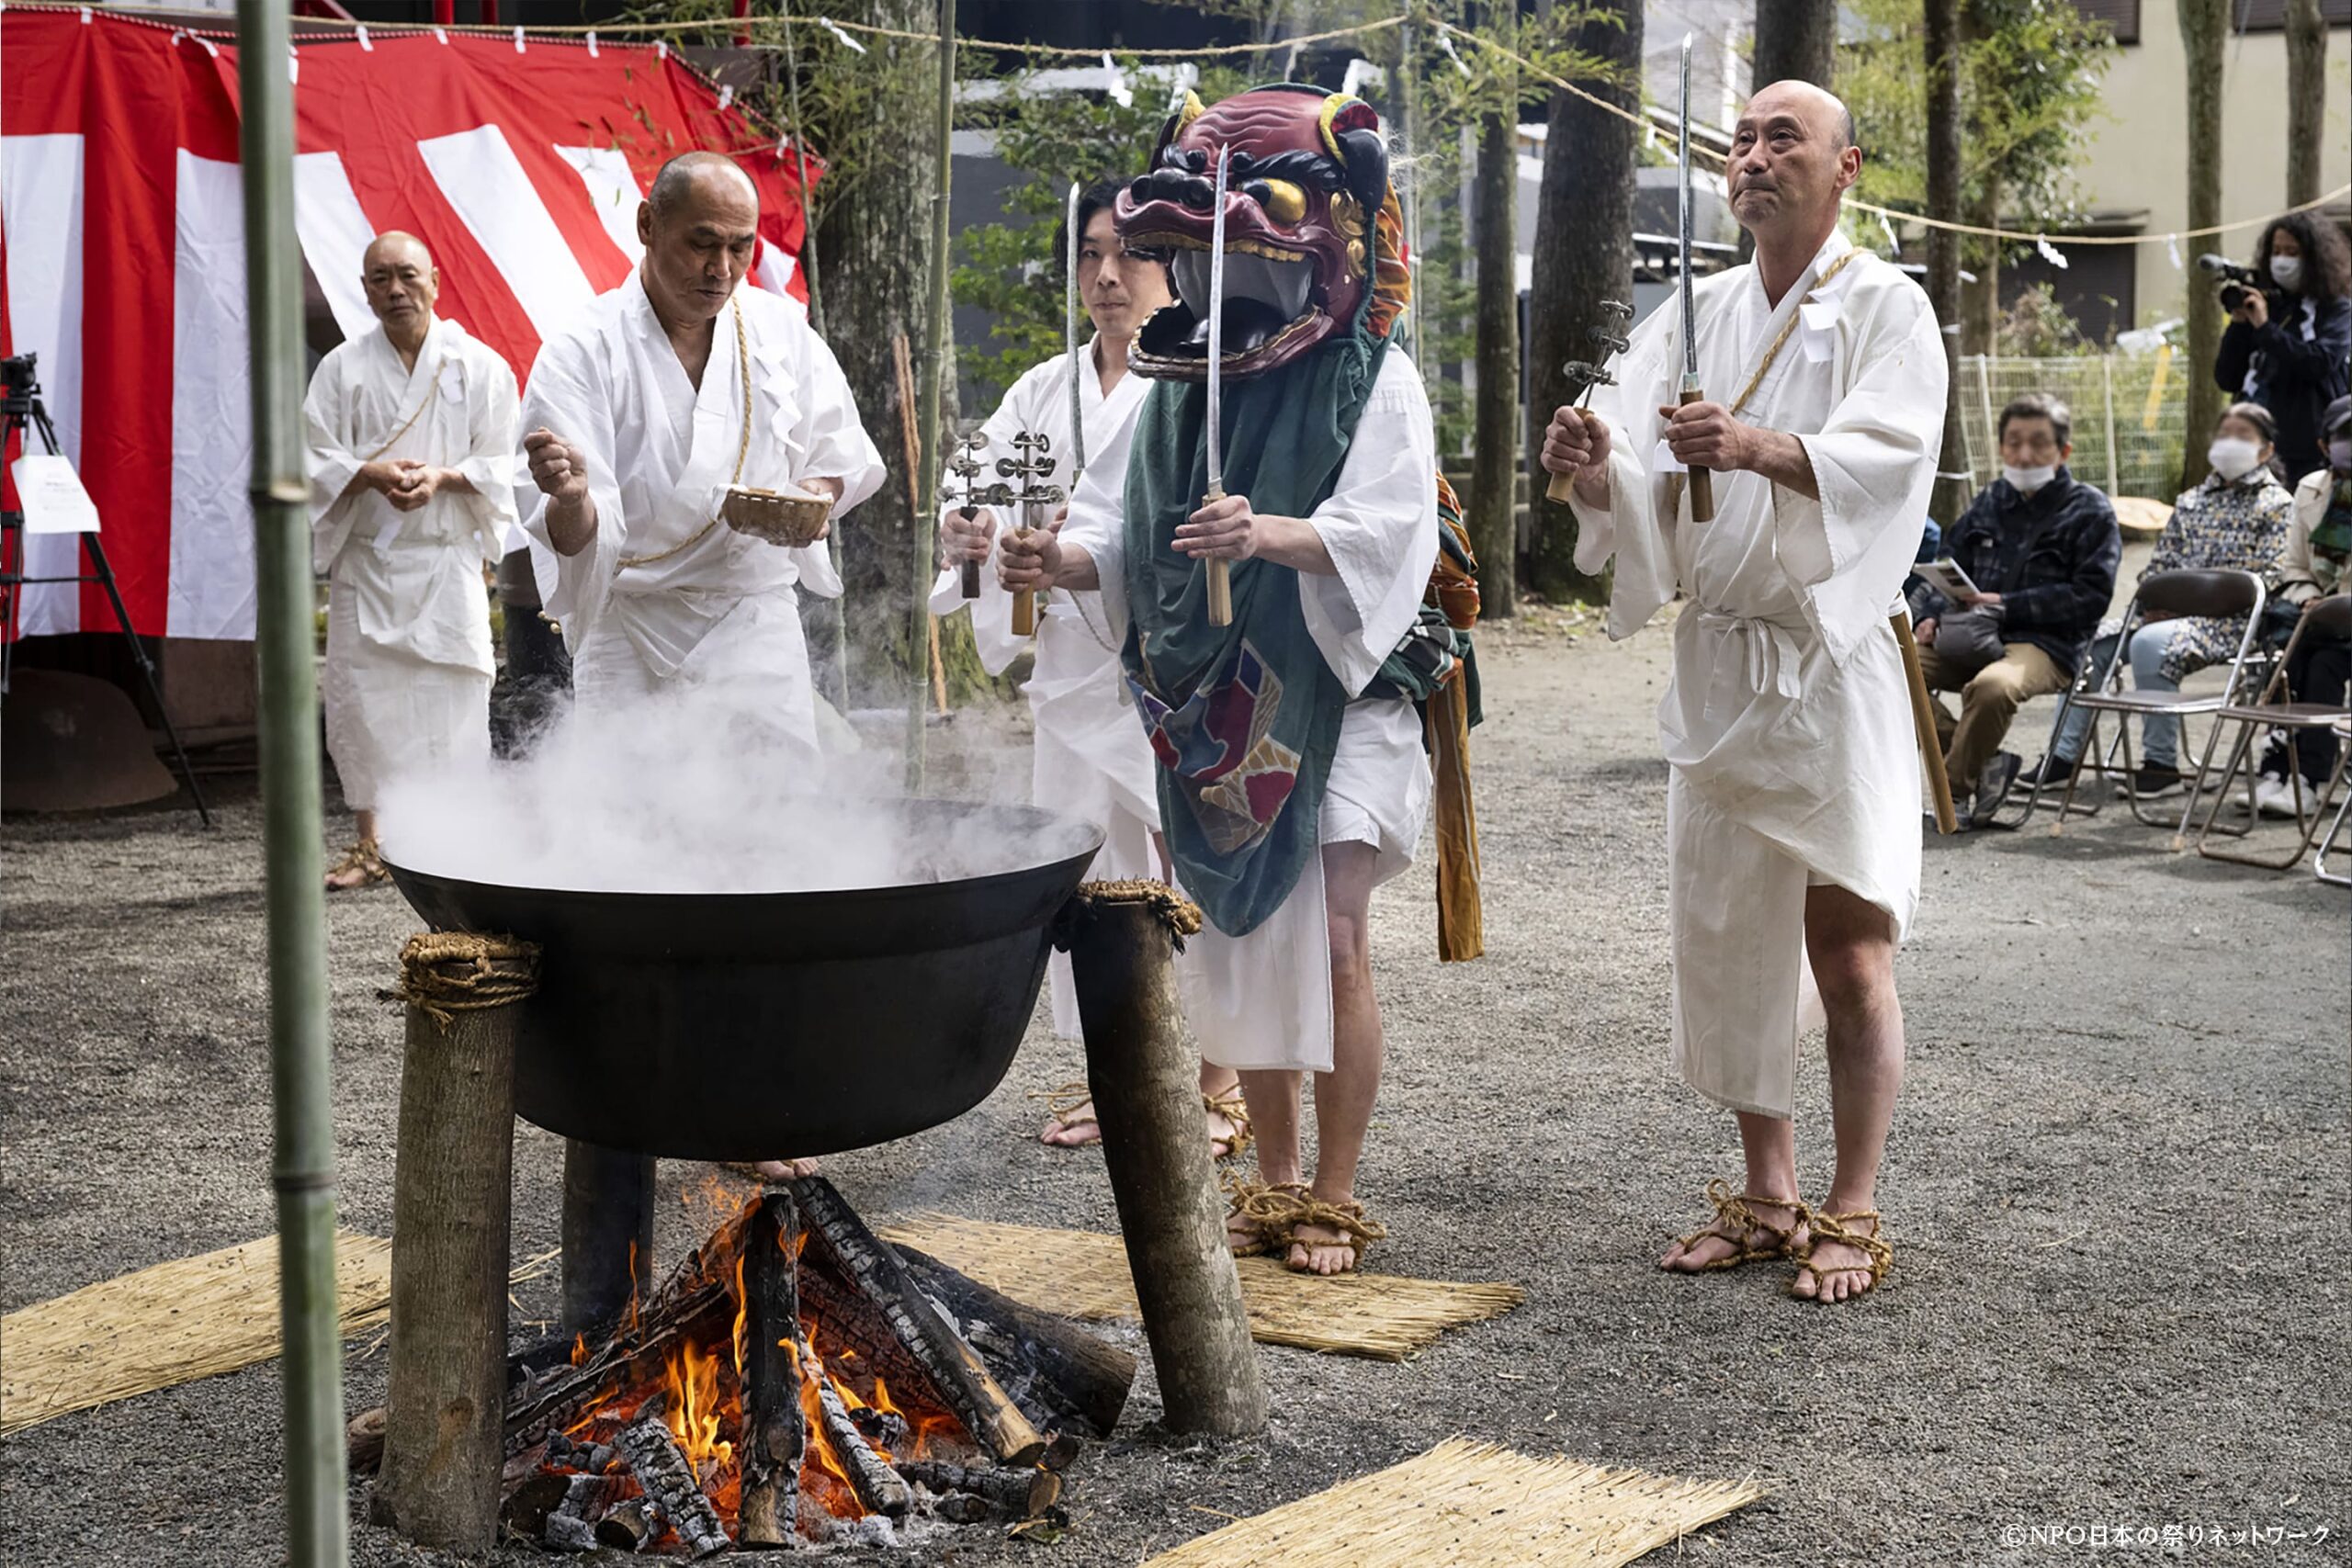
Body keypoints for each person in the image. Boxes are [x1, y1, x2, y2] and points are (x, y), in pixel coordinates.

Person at [999, 85, 1438, 1275]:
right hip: (1228, 703)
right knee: (1255, 934)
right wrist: (1059, 556)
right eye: (1198, 250)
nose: (1213, 272)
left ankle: (1334, 1195)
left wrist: (1277, 534)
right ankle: (1277, 1181)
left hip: (1346, 684)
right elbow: (1116, 529)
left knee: (1334, 926)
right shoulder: (1171, 382)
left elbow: (1389, 530)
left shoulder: (1366, 373)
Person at [1540, 81, 1948, 1304]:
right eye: (1744, 140)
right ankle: (1768, 1191)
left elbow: (1893, 452)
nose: (1756, 156)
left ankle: (1857, 1200)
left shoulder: (1888, 304)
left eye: (1786, 138)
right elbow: (1639, 475)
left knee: (1850, 947)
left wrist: (1758, 445)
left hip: (1826, 660)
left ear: (1845, 167)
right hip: (1720, 657)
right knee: (1731, 941)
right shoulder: (1699, 307)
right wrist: (1590, 466)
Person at [933, 183, 1248, 1160]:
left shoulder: (1201, 381)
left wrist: (1087, 548)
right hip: (1071, 663)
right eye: (1091, 257)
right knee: (1091, 866)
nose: (1108, 277)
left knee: (1180, 860)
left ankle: (1221, 1080)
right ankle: (1122, 1068)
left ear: (1174, 266)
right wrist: (968, 531)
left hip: (1170, 660)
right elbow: (975, 484)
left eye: (1130, 256)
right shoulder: (1043, 385)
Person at [519, 152, 884, 778]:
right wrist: (573, 498)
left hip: (752, 615)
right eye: (702, 243)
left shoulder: (779, 331)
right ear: (647, 225)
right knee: (629, 821)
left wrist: (811, 499)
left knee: (777, 808)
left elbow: (840, 451)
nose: (722, 270)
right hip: (630, 623)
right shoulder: (581, 350)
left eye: (740, 248)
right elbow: (572, 539)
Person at [304, 231, 520, 890]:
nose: (394, 289)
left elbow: (505, 461)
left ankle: (456, 840)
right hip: (367, 564)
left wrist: (446, 479)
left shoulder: (479, 366)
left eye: (406, 275)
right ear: (364, 289)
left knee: (455, 697)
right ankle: (372, 845)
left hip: (444, 559)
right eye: (378, 279)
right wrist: (366, 472)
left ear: (435, 279)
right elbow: (311, 455)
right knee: (361, 704)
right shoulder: (341, 368)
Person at [2032, 403, 2297, 798]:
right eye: (2224, 433)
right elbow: (2157, 567)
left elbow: (2270, 576)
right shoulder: (2191, 501)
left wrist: (2191, 604)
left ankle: (2160, 765)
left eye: (2242, 436)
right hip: (2166, 615)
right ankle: (2062, 756)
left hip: (2233, 624)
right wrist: (2154, 600)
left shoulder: (2277, 505)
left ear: (2266, 451)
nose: (2229, 443)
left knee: (2149, 644)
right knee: (2090, 642)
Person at [1913, 392, 2120, 827]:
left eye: (2039, 443)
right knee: (1888, 667)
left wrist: (2008, 605)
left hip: (2047, 644)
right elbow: (1951, 561)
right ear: (2002, 446)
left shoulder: (2091, 510)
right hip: (1969, 632)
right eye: (2014, 442)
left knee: (1992, 688)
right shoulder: (1990, 500)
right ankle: (1984, 762)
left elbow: (2092, 597)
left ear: (2063, 451)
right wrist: (1928, 614)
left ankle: (1952, 794)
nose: (2024, 455)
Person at [2245, 394, 2352, 816]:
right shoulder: (2310, 489)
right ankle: (2277, 768)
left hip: (2342, 626)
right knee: (2288, 656)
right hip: (2320, 617)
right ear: (2325, 445)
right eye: (2345, 436)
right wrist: (2309, 596)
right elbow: (2295, 567)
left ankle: (2308, 778)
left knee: (2324, 662)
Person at [2214, 212, 2351, 485]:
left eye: (2292, 252)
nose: (2282, 260)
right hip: (2254, 443)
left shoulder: (2335, 308)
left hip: (2307, 447)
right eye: (2276, 251)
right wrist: (2240, 325)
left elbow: (2319, 362)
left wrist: (2265, 329)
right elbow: (2227, 378)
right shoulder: (2263, 303)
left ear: (2313, 258)